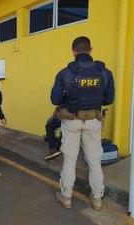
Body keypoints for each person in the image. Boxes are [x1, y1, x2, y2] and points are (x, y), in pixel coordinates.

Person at [50, 36, 115, 210]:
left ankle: (66, 197)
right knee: (94, 160)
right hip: (93, 121)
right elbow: (109, 99)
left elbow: (55, 98)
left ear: (73, 52)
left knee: (70, 159)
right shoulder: (104, 72)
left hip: (71, 120)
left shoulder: (65, 72)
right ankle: (97, 199)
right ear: (91, 50)